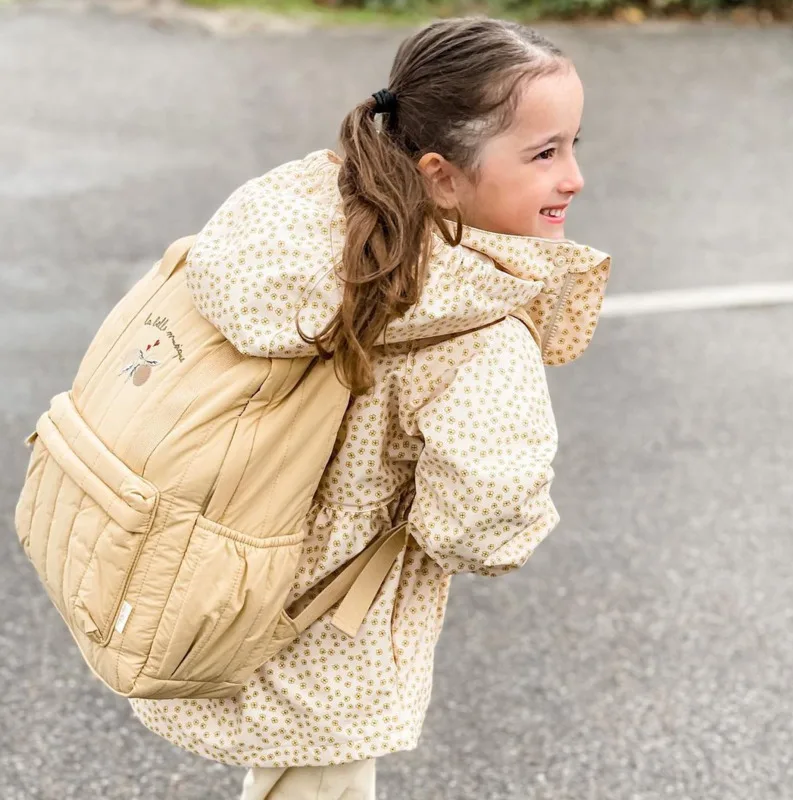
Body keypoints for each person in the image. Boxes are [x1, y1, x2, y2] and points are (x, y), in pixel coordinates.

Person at [129, 16, 610, 799]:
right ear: (443, 175)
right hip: (339, 636)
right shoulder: (480, 330)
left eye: (575, 146)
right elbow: (480, 528)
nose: (574, 177)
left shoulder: (318, 230)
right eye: (545, 153)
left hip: (237, 579)